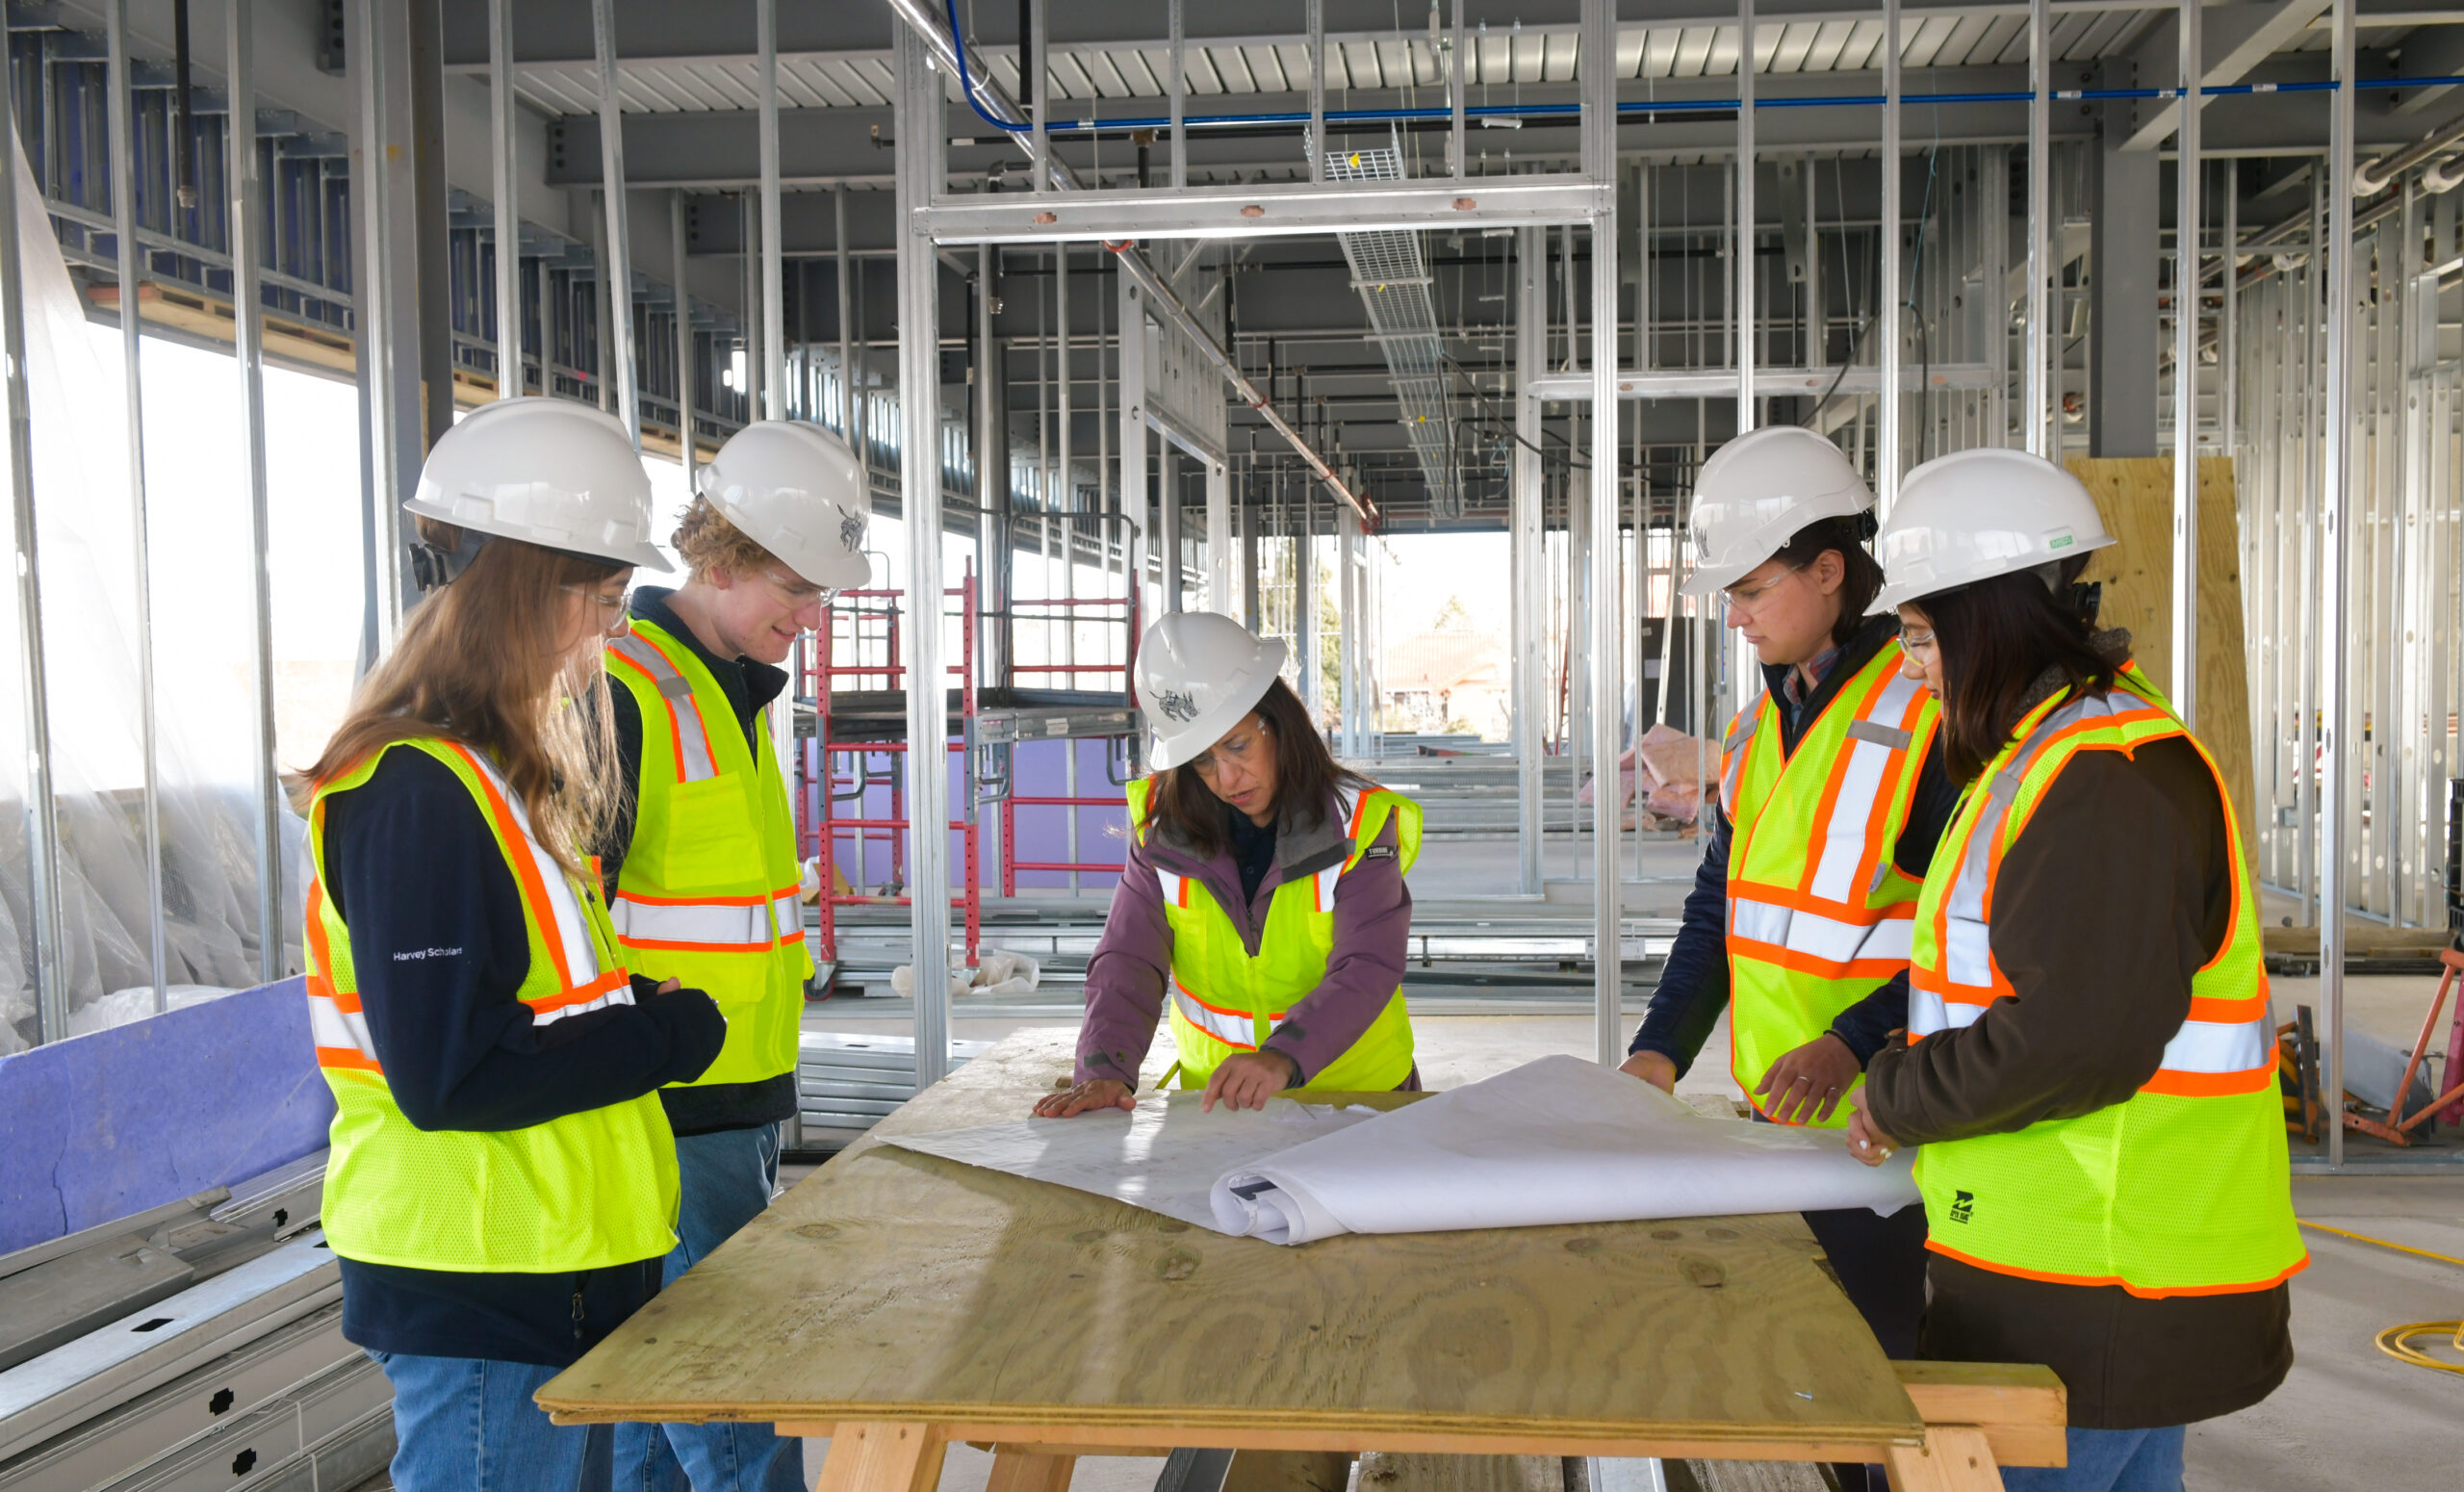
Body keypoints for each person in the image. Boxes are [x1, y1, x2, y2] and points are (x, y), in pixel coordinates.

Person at [1846, 448, 2303, 1492]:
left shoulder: (2101, 779)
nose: (1911, 666)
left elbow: (2075, 1040)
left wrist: (1896, 1092)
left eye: (1919, 637)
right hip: (2085, 1275)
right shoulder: (2049, 754)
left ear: (1985, 621)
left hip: (2097, 1287)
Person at [299, 398, 727, 1491]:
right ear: (527, 590)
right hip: (477, 1265)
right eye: (603, 596)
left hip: (536, 1258)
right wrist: (667, 1036)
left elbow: (532, 999)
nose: (616, 627)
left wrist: (629, 1005)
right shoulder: (415, 792)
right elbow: (452, 1074)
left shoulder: (492, 778)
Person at [1618, 427, 1959, 1384]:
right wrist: (1661, 1048)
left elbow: (1969, 942)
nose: (1734, 617)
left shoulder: (1928, 712)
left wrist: (1854, 1039)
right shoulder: (1765, 718)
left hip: (1893, 1137)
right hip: (1777, 1130)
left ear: (1828, 570)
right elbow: (1720, 912)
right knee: (1798, 1372)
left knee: (1879, 1388)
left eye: (1751, 589)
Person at [603, 422, 870, 1492]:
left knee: (654, 1387)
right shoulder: (629, 689)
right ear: (715, 556)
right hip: (671, 1102)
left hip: (739, 1092)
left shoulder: (732, 691)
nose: (809, 622)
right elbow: (570, 911)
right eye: (793, 591)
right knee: (730, 1391)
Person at [1036, 611, 1421, 1117]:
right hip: (1223, 1108)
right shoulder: (1162, 832)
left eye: (1237, 745)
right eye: (1201, 759)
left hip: (1360, 1099)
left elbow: (1368, 963)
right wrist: (1105, 1070)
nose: (1226, 776)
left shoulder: (1358, 822)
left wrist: (1282, 1056)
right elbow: (1129, 958)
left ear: (1279, 722)